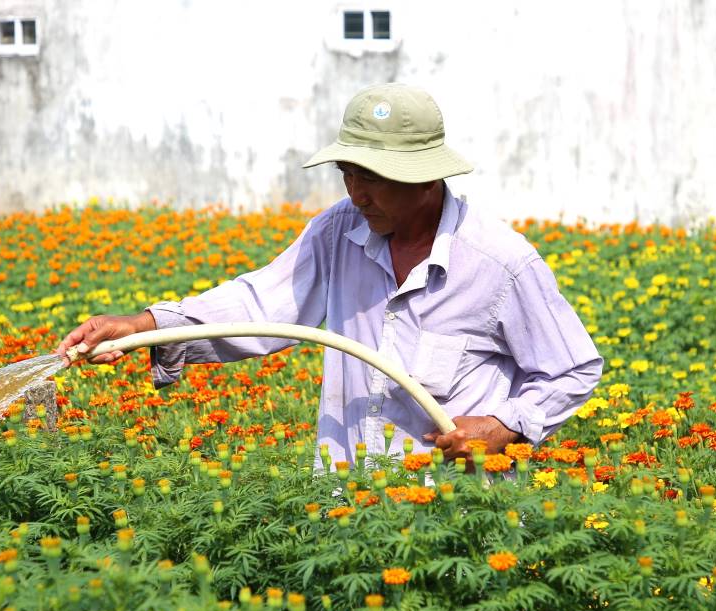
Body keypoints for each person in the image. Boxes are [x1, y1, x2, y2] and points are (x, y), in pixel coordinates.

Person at [57, 83, 602, 466]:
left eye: (376, 178)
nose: (357, 193)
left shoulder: (499, 263)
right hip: (349, 506)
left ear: (427, 181)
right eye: (349, 173)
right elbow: (260, 304)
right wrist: (143, 325)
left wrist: (506, 425)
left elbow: (571, 369)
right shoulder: (338, 232)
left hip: (455, 512)